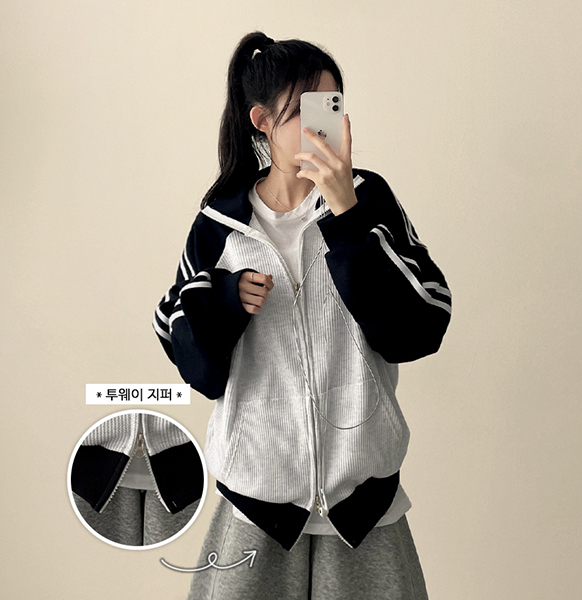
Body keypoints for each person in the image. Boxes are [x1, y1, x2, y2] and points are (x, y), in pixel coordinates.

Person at [153, 31, 451, 600]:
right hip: (254, 504)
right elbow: (191, 359)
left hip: (365, 506)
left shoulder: (368, 201)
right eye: (303, 111)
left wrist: (347, 218)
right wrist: (224, 300)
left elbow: (421, 326)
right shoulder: (219, 223)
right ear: (262, 121)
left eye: (330, 106)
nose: (323, 124)